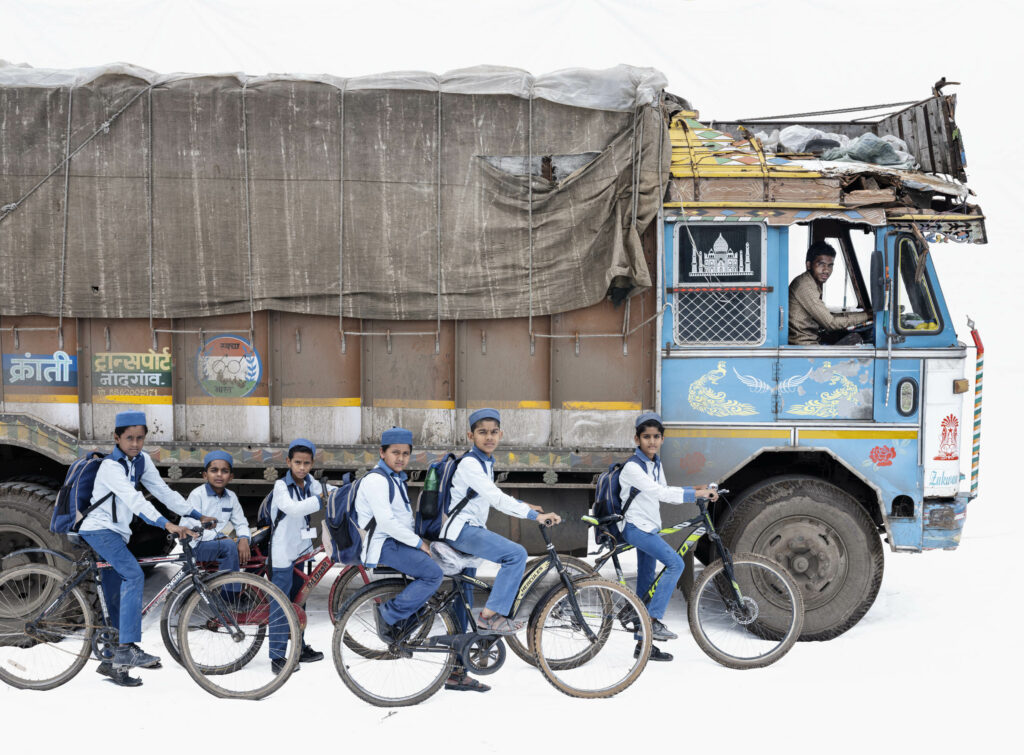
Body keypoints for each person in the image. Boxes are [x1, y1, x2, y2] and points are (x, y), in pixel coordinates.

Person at [78, 410, 210, 687]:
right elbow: (135, 500)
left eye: (140, 438)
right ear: (117, 438)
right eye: (129, 438)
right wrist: (166, 524)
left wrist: (195, 514)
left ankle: (115, 663)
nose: (135, 443)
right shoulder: (110, 467)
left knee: (116, 595)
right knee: (134, 576)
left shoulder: (141, 461)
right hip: (99, 530)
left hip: (117, 534)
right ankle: (126, 648)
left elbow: (163, 491)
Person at [440, 408, 561, 690]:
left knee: (463, 600)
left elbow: (490, 495)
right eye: (482, 432)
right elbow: (494, 498)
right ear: (471, 435)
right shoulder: (471, 464)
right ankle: (491, 617)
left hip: (468, 529)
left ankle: (456, 672)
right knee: (515, 554)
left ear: (501, 434)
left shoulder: (485, 462)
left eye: (494, 432)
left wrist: (526, 506)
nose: (489, 437)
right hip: (463, 532)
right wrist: (533, 516)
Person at [619, 412, 718, 662]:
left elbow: (664, 488)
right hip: (635, 528)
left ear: (663, 439)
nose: (651, 441)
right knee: (676, 563)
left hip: (648, 528)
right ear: (637, 439)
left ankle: (644, 647)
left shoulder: (655, 464)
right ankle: (653, 620)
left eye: (656, 437)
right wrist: (696, 495)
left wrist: (699, 488)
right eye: (646, 437)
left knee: (645, 585)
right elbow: (660, 493)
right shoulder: (633, 467)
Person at [355, 427, 443, 644]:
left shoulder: (393, 478)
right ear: (382, 452)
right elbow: (386, 522)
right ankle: (389, 614)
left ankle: (403, 627)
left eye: (405, 453)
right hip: (383, 544)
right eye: (395, 452)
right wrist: (419, 543)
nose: (401, 458)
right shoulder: (377, 480)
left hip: (393, 540)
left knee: (437, 561)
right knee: (433, 574)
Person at [266, 438, 331, 674]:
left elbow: (328, 492)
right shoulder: (281, 486)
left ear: (312, 463)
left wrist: (346, 492)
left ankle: (300, 648)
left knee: (299, 602)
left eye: (306, 463)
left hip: (300, 551)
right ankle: (277, 657)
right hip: (282, 551)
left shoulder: (311, 483)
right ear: (288, 462)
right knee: (280, 603)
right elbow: (293, 509)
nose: (302, 468)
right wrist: (321, 499)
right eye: (297, 463)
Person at [180, 451, 251, 575]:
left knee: (251, 545)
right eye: (214, 470)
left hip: (218, 543)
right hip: (196, 545)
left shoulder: (231, 497)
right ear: (205, 475)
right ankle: (229, 592)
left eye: (224, 471)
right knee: (228, 546)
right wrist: (219, 537)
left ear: (231, 477)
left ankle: (250, 588)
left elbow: (241, 523)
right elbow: (191, 525)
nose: (219, 475)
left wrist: (244, 538)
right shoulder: (197, 495)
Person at [789, 240, 872, 345]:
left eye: (830, 265)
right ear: (809, 265)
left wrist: (863, 314)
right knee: (856, 341)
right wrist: (867, 316)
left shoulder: (811, 283)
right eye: (821, 264)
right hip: (805, 346)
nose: (826, 270)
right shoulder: (805, 286)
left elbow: (827, 315)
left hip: (812, 341)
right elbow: (830, 323)